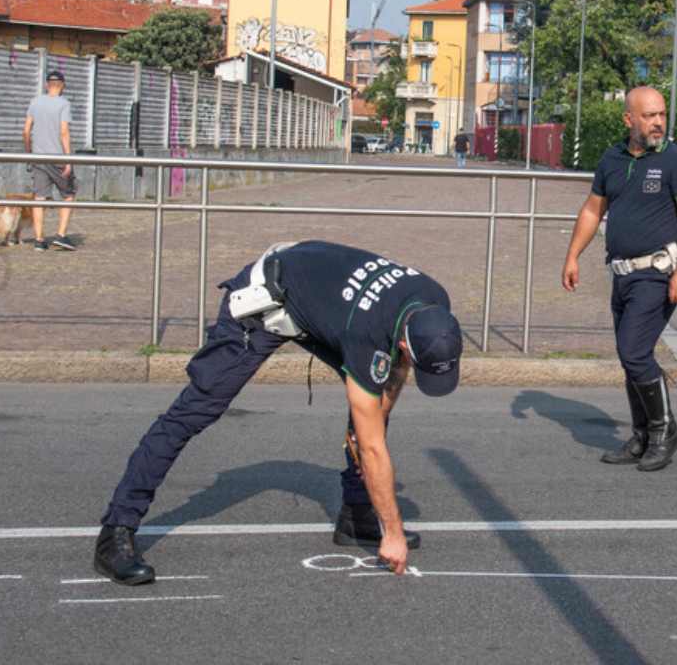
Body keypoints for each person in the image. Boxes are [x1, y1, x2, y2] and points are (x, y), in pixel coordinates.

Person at [93, 240, 463, 584]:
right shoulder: (367, 333)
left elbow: (391, 376)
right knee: (196, 409)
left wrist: (377, 417)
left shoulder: (434, 298)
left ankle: (357, 514)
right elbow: (372, 446)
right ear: (404, 340)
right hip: (268, 299)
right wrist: (393, 532)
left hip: (321, 297)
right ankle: (116, 531)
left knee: (371, 409)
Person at [561, 86, 677, 471]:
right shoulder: (612, 158)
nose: (658, 122)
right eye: (649, 116)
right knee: (631, 358)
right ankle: (642, 435)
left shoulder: (676, 161)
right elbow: (593, 210)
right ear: (629, 119)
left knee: (635, 352)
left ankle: (664, 432)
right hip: (621, 275)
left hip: (657, 274)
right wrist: (573, 255)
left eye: (661, 114)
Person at [22, 70, 77, 251]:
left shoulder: (35, 102)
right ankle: (61, 235)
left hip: (38, 157)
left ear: (47, 85)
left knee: (39, 197)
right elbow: (64, 132)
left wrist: (29, 151)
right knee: (68, 195)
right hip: (58, 157)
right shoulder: (64, 104)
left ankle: (39, 239)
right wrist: (68, 160)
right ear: (63, 85)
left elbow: (26, 130)